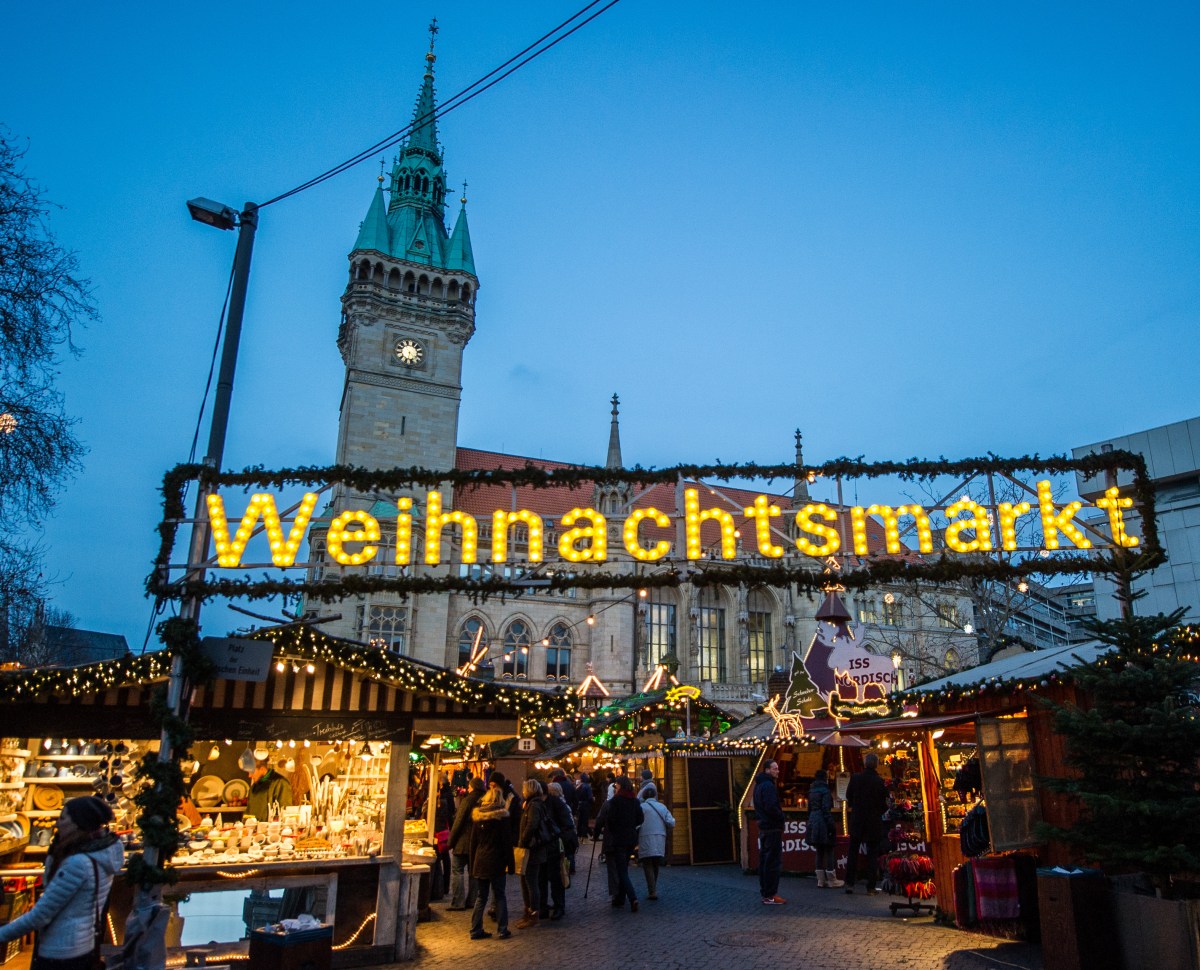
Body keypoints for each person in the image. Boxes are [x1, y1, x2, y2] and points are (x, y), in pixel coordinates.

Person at [0, 797, 124, 969]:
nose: (57, 824)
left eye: (63, 818)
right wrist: (57, 847)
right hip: (83, 945)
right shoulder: (101, 853)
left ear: (79, 824)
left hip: (61, 951)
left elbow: (40, 915)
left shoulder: (77, 864)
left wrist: (2, 934)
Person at [468, 777, 513, 940]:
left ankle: (475, 929)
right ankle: (502, 929)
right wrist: (511, 864)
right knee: (499, 895)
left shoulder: (478, 816)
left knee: (481, 896)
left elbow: (473, 842)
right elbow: (507, 843)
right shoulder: (502, 818)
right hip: (497, 860)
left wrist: (472, 863)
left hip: (481, 860)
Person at [844, 752, 889, 895]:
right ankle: (870, 886)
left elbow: (848, 796)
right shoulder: (880, 781)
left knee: (853, 852)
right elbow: (885, 803)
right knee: (872, 854)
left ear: (864, 764)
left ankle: (850, 884)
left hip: (857, 819)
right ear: (876, 764)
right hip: (873, 821)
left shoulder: (856, 778)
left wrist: (855, 806)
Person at [603, 776, 643, 912]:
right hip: (631, 839)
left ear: (620, 786)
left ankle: (632, 898)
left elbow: (610, 820)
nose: (616, 788)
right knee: (623, 866)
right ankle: (620, 898)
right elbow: (640, 818)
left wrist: (615, 830)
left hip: (619, 839)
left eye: (616, 786)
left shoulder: (616, 801)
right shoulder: (634, 801)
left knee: (622, 871)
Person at [515, 779, 551, 928]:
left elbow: (532, 825)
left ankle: (533, 913)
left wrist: (523, 841)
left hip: (532, 850)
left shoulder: (534, 806)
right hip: (532, 849)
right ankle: (528, 911)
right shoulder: (532, 804)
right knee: (526, 881)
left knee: (531, 882)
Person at [447, 777, 485, 910]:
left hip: (463, 842)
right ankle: (472, 900)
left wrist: (450, 842)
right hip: (478, 842)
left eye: (469, 787)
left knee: (457, 870)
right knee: (473, 872)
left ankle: (458, 902)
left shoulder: (468, 800)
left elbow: (458, 822)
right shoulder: (486, 800)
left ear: (473, 787)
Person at [540, 781, 576, 919]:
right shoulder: (538, 804)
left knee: (556, 878)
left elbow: (567, 825)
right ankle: (544, 906)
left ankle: (558, 906)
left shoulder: (556, 804)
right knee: (542, 878)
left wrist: (559, 838)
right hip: (543, 846)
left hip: (554, 847)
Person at [754, 759, 786, 905]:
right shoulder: (768, 786)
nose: (777, 771)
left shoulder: (759, 786)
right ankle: (771, 894)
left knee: (765, 861)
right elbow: (771, 806)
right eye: (774, 768)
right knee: (772, 862)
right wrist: (781, 817)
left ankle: (766, 893)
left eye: (777, 768)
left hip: (764, 827)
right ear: (767, 770)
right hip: (772, 827)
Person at [637, 784, 674, 900]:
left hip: (645, 837)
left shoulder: (641, 807)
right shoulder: (662, 807)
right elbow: (671, 822)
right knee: (655, 863)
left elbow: (636, 823)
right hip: (659, 837)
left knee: (647, 863)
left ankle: (652, 890)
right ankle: (653, 888)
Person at [807, 769, 843, 888]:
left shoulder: (811, 790)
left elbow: (810, 808)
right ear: (825, 778)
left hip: (813, 820)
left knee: (819, 850)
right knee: (829, 849)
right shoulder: (826, 791)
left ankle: (820, 880)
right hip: (823, 822)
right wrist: (831, 825)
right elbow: (826, 810)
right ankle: (832, 879)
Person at [574, 772, 594, 843]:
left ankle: (579, 836)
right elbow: (590, 797)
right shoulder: (587, 786)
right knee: (585, 821)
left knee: (580, 821)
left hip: (579, 804)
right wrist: (592, 801)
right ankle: (584, 837)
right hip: (586, 805)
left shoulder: (579, 786)